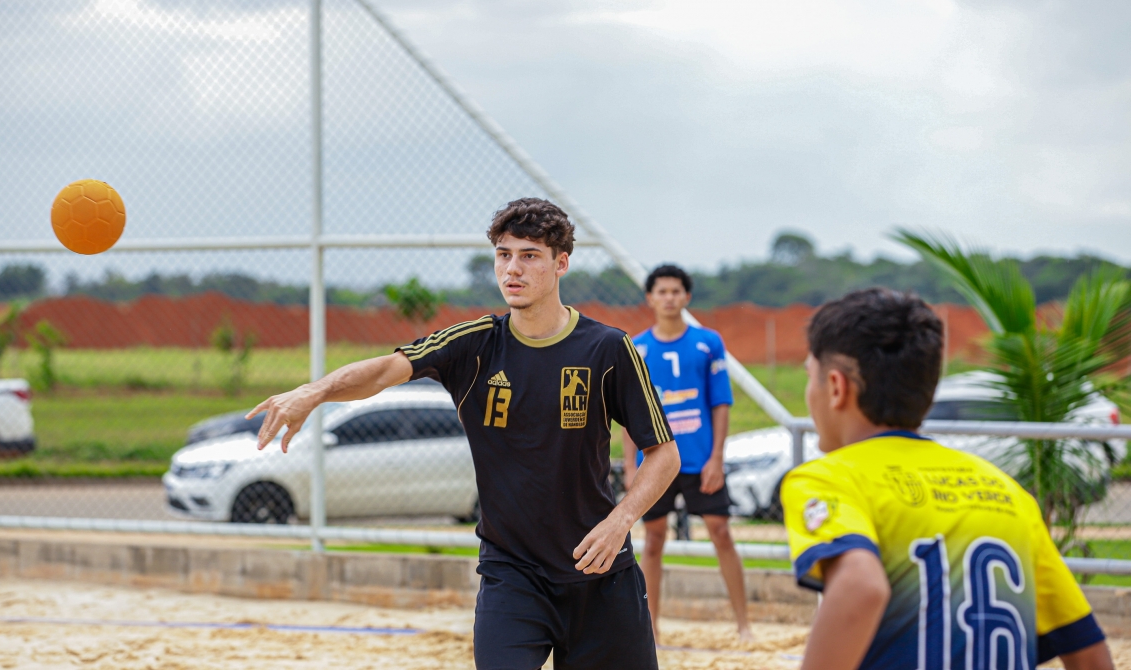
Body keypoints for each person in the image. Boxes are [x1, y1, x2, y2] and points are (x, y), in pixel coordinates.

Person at [249, 198, 681, 670]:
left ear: (561, 264)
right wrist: (314, 392)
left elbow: (664, 454)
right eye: (503, 254)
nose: (512, 269)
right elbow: (385, 370)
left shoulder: (608, 348)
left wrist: (620, 522)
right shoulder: (474, 345)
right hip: (513, 575)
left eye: (529, 256)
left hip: (600, 573)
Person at [782, 287, 1114, 670]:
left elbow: (860, 585)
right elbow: (1090, 655)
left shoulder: (828, 478)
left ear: (836, 387)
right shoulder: (1008, 492)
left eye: (810, 376)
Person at [622, 264, 753, 641]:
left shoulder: (708, 342)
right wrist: (630, 466)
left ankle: (743, 625)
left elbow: (720, 402)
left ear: (687, 296)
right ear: (650, 298)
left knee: (721, 533)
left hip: (699, 459)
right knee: (654, 540)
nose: (669, 298)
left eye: (675, 291)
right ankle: (651, 628)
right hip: (656, 462)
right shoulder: (637, 348)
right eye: (661, 292)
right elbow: (630, 414)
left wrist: (717, 458)